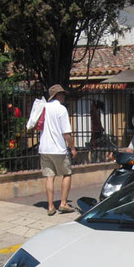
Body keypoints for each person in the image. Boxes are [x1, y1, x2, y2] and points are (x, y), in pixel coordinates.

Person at [39, 84, 77, 216]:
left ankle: (50, 206)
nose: (64, 97)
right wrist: (72, 148)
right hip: (58, 149)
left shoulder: (44, 107)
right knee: (67, 174)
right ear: (58, 95)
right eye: (63, 94)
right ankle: (63, 203)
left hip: (44, 148)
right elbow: (66, 133)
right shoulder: (61, 110)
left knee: (50, 177)